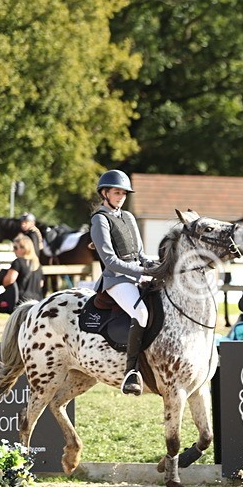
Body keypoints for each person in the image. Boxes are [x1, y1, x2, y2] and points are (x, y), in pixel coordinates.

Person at [89, 169, 159, 396]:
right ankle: (131, 372)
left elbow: (140, 253)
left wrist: (159, 265)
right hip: (116, 279)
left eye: (123, 194)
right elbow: (109, 259)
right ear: (105, 193)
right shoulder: (100, 219)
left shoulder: (128, 217)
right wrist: (141, 272)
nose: (121, 197)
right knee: (141, 314)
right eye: (117, 193)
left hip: (136, 273)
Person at [0, 234, 45, 314]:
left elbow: (9, 280)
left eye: (15, 248)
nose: (14, 250)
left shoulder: (18, 262)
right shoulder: (37, 264)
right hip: (37, 301)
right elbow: (41, 283)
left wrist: (1, 278)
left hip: (22, 302)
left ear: (25, 248)